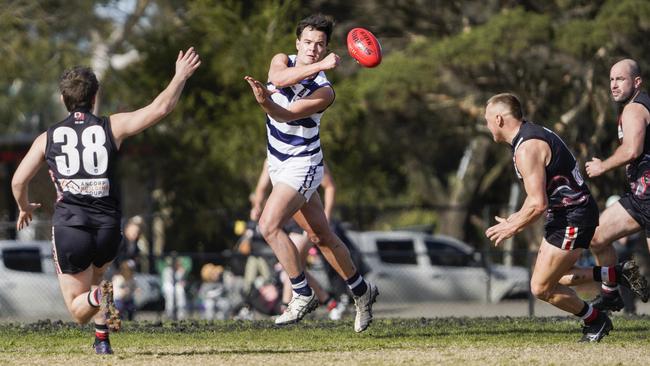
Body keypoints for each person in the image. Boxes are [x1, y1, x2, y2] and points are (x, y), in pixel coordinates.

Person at [11, 48, 201, 354]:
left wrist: (24, 206)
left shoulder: (48, 137)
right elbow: (160, 108)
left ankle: (100, 300)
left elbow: (18, 180)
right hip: (108, 227)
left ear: (63, 99)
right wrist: (180, 75)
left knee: (78, 307)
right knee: (98, 279)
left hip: (71, 226)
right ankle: (102, 340)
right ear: (95, 96)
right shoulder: (111, 127)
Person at [244, 14, 377, 332]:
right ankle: (362, 292)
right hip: (278, 164)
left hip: (303, 164)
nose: (313, 49)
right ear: (297, 43)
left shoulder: (325, 91)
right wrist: (269, 97)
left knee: (269, 225)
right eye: (307, 43)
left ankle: (301, 294)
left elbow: (283, 112)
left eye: (319, 45)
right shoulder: (281, 60)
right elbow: (281, 78)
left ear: (327, 48)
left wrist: (266, 102)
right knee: (321, 236)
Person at [484, 93, 611, 342]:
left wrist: (512, 228)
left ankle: (596, 320)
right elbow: (535, 197)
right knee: (556, 277)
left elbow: (538, 204)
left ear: (498, 119)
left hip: (572, 217)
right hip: (567, 215)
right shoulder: (528, 136)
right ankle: (613, 275)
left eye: (487, 119)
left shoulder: (527, 147)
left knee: (541, 287)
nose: (487, 125)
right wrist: (514, 219)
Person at [579, 58, 650, 311]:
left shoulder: (635, 109)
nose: (614, 85)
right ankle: (611, 294)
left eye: (620, 79)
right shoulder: (630, 108)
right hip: (639, 199)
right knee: (596, 237)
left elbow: (632, 150)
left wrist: (603, 166)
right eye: (611, 79)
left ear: (637, 82)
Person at [250, 158, 339, 317]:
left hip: (304, 221)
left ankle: (286, 308)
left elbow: (330, 186)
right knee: (296, 266)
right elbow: (262, 187)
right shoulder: (272, 158)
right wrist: (257, 205)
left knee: (289, 264)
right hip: (285, 221)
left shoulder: (310, 156)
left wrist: (326, 217)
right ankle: (330, 302)